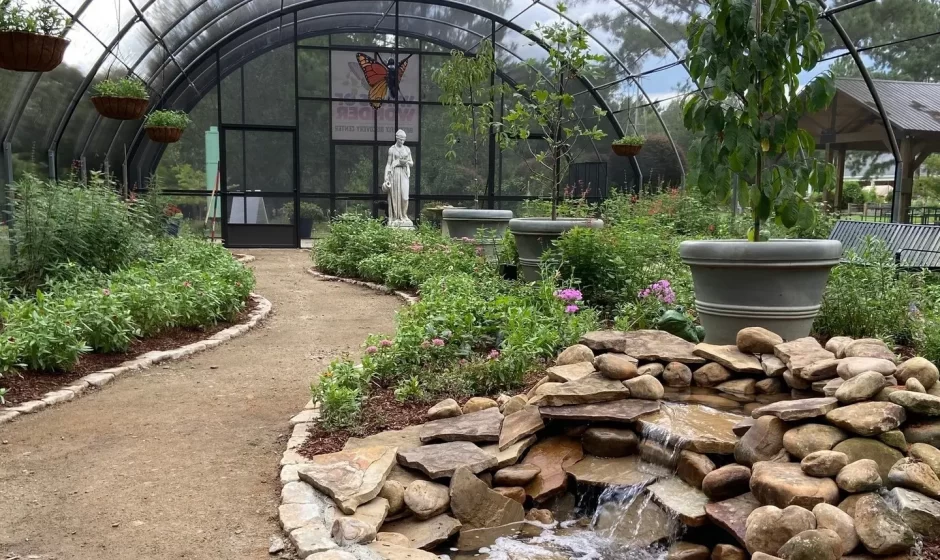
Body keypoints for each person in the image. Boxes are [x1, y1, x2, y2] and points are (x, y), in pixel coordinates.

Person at [382, 129, 414, 228]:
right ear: (397, 138)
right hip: (394, 174)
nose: (402, 141)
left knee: (405, 197)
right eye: (401, 139)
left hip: (404, 173)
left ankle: (404, 215)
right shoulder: (392, 149)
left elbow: (411, 163)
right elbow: (388, 164)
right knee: (395, 197)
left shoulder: (407, 149)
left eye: (404, 140)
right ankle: (395, 217)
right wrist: (386, 177)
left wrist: (405, 162)